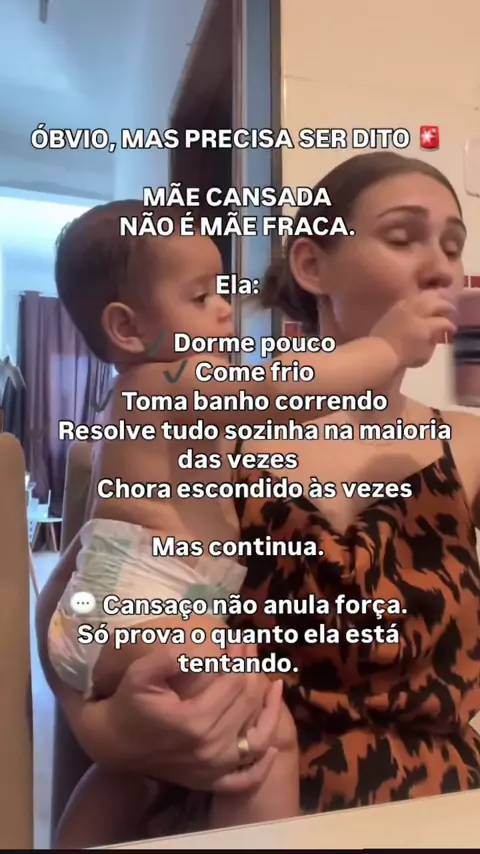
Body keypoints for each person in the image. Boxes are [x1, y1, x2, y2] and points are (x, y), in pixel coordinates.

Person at [45, 197, 451, 847]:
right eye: (200, 295)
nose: (224, 309)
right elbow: (287, 390)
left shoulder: (149, 401)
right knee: (265, 735)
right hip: (148, 593)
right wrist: (386, 347)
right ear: (126, 327)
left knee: (135, 775)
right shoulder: (169, 379)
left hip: (135, 595)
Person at [231, 151, 480, 812]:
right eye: (402, 237)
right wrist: (117, 728)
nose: (442, 269)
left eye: (453, 246)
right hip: (250, 805)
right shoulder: (222, 437)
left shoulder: (468, 444)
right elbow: (94, 611)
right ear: (312, 266)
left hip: (442, 809)